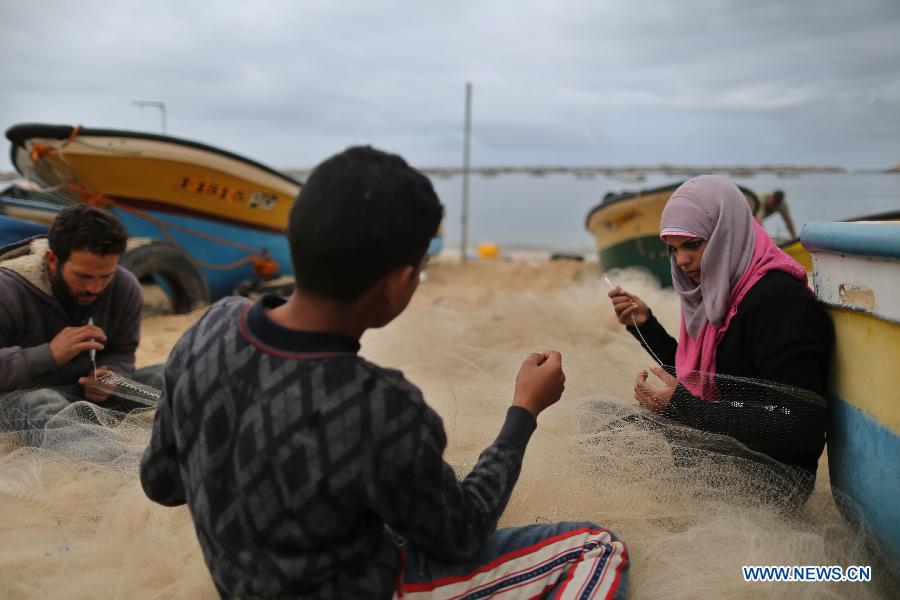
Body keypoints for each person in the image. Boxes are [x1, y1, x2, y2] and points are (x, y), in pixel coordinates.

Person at [140, 146, 628, 599]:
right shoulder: (378, 403)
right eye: (418, 270)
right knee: (598, 549)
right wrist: (524, 410)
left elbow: (162, 484)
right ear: (397, 284)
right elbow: (461, 534)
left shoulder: (210, 329)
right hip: (363, 586)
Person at [607, 175, 832, 498]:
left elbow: (799, 423)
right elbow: (708, 379)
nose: (681, 261)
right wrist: (645, 325)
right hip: (724, 453)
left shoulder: (779, 303)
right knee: (607, 434)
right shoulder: (722, 295)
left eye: (693, 245)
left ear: (727, 233)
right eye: (672, 250)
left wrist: (685, 407)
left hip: (769, 480)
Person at [0, 205, 161, 439]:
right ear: (52, 260)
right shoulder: (6, 290)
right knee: (42, 403)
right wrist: (49, 354)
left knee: (171, 374)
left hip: (87, 395)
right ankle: (118, 464)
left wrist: (110, 375)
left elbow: (122, 351)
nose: (94, 288)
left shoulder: (125, 287)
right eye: (83, 276)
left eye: (105, 276)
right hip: (20, 400)